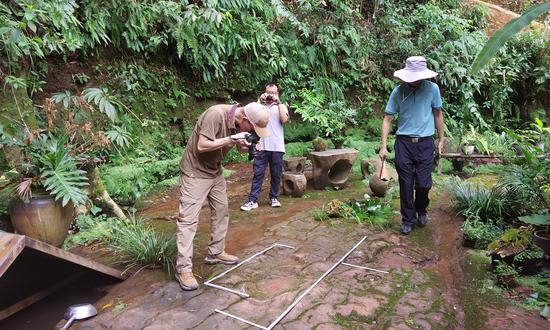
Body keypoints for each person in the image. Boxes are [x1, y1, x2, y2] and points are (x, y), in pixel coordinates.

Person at [176, 102, 270, 291]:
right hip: (195, 172)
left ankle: (215, 252)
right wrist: (232, 139)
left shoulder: (237, 122)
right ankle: (183, 269)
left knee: (221, 211)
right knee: (188, 220)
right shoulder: (215, 114)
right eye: (253, 129)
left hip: (215, 171)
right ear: (244, 120)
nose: (256, 132)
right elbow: (202, 146)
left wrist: (245, 145)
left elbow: (237, 146)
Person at [379, 56, 445, 235]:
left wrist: (441, 139)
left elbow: (438, 114)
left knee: (424, 184)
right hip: (404, 144)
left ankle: (421, 209)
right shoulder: (398, 91)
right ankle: (408, 219)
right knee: (406, 185)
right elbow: (387, 118)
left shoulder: (433, 89)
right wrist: (383, 146)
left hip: (425, 143)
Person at [240, 83, 289, 211]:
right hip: (261, 145)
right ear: (264, 92)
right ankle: (253, 200)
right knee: (258, 173)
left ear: (277, 94)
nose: (270, 95)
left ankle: (274, 197)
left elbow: (284, 120)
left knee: (276, 173)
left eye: (273, 93)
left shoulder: (281, 106)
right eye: (268, 92)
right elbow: (251, 118)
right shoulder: (259, 107)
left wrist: (278, 103)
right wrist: (259, 100)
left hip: (277, 146)